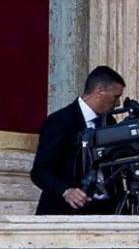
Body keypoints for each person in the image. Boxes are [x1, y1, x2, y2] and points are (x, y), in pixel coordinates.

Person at [31, 65, 125, 214]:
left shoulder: (110, 122)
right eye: (116, 97)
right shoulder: (60, 121)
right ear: (99, 91)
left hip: (106, 212)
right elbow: (40, 171)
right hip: (65, 213)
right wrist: (66, 191)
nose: (118, 104)